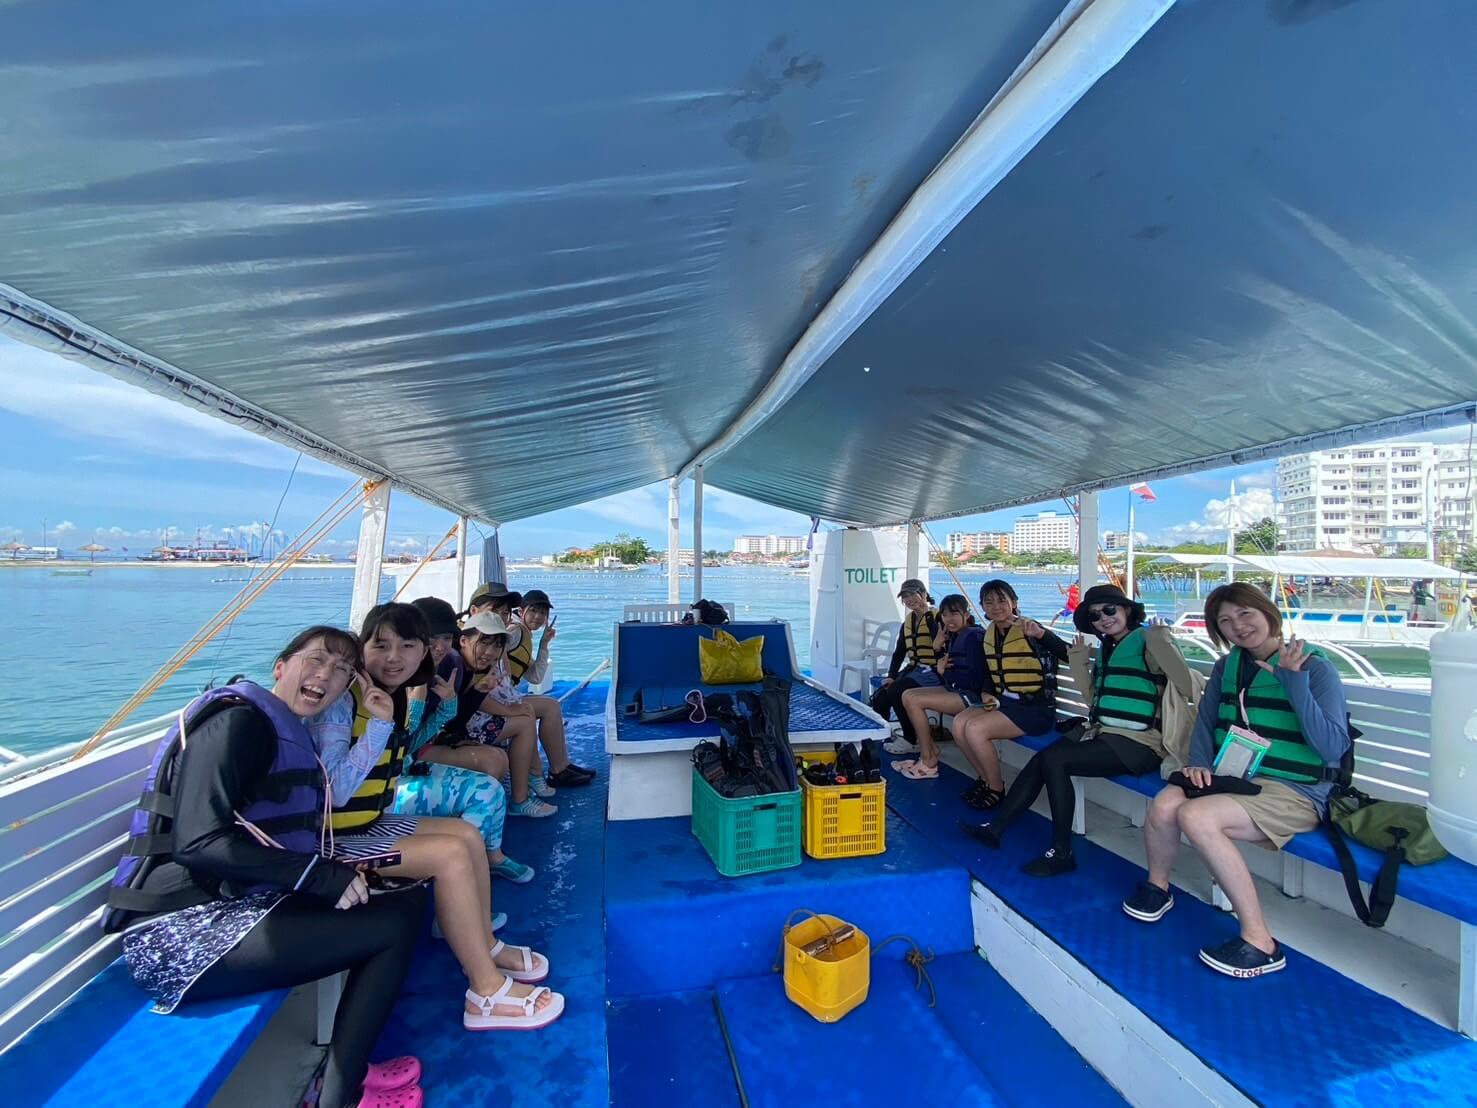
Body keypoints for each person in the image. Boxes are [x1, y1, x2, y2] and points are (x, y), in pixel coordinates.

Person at [104, 626, 430, 1108]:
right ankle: (338, 1094)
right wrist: (318, 876)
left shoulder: (282, 729)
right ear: (280, 667)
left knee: (407, 902)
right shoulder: (236, 723)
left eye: (342, 670)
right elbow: (197, 842)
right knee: (391, 927)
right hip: (176, 935)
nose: (327, 675)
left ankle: (344, 1072)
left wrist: (326, 873)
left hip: (236, 907)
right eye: (316, 660)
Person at [310, 604, 563, 1031]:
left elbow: (407, 748)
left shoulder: (391, 692)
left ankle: (485, 942)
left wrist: (444, 708)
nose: (394, 657)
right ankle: (485, 991)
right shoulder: (343, 703)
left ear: (421, 652)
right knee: (450, 855)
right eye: (381, 645)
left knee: (467, 836)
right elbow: (336, 791)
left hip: (367, 821)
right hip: (334, 840)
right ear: (361, 647)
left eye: (408, 646)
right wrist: (381, 724)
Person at [1122, 582, 1351, 978]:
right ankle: (1158, 888)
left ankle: (1261, 943)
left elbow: (1332, 747)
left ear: (1267, 613)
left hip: (1296, 790)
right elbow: (1207, 720)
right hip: (1236, 777)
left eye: (1246, 614)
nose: (1238, 626)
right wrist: (1199, 763)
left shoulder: (1315, 668)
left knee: (1196, 817)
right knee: (1164, 804)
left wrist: (1293, 682)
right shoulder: (1227, 666)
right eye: (1225, 621)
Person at [962, 584, 1194, 878]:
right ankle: (995, 829)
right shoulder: (1109, 648)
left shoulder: (1149, 641)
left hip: (1142, 744)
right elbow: (1093, 700)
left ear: (1127, 610)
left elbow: (1187, 687)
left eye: (1109, 610)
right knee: (1043, 759)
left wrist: (1163, 642)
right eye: (1095, 615)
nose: (1103, 618)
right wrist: (1080, 662)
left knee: (1055, 761)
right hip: (1105, 733)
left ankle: (1061, 852)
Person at [396, 597, 533, 884]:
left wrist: (472, 694)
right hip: (399, 771)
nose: (439, 647)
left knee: (495, 765)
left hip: (417, 751)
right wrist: (420, 698)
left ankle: (485, 850)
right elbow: (407, 737)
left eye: (445, 638)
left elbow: (442, 723)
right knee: (491, 763)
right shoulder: (431, 669)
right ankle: (465, 853)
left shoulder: (450, 667)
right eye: (431, 639)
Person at [421, 611, 556, 818]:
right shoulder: (452, 665)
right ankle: (507, 805)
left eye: (497, 646)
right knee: (494, 759)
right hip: (420, 747)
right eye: (484, 643)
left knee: (509, 741)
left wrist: (478, 691)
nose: (490, 652)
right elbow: (441, 720)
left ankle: (521, 792)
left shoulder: (471, 666)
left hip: (440, 737)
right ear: (463, 640)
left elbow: (455, 718)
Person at [951, 580, 1069, 810]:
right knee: (959, 723)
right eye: (989, 602)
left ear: (1014, 602)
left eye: (1001, 600)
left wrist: (1042, 635)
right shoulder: (992, 633)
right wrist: (986, 692)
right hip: (1005, 704)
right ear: (982, 607)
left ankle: (996, 788)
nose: (996, 606)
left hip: (1034, 709)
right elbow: (990, 672)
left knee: (975, 729)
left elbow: (1067, 653)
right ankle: (985, 779)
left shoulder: (1029, 628)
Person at [467, 583, 595, 790]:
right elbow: (495, 653)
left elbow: (535, 677)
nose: (537, 617)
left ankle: (558, 768)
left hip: (501, 697)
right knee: (548, 707)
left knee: (548, 706)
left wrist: (544, 645)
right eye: (533, 610)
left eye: (542, 613)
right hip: (490, 705)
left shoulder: (521, 634)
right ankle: (552, 771)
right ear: (521, 611)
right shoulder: (514, 631)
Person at [890, 594, 985, 781]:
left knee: (914, 700)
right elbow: (951, 670)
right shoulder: (956, 635)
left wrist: (942, 670)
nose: (949, 619)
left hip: (973, 696)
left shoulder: (973, 637)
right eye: (945, 615)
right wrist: (938, 648)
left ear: (966, 614)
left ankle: (929, 761)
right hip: (957, 689)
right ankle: (928, 752)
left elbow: (973, 679)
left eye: (954, 614)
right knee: (907, 695)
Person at [877, 578, 943, 755]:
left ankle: (911, 739)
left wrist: (926, 614)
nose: (909, 599)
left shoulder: (937, 617)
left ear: (924, 594)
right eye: (905, 596)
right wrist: (891, 675)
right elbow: (899, 652)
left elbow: (939, 642)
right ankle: (883, 735)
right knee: (881, 695)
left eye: (913, 594)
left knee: (897, 690)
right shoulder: (908, 622)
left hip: (934, 671)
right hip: (914, 669)